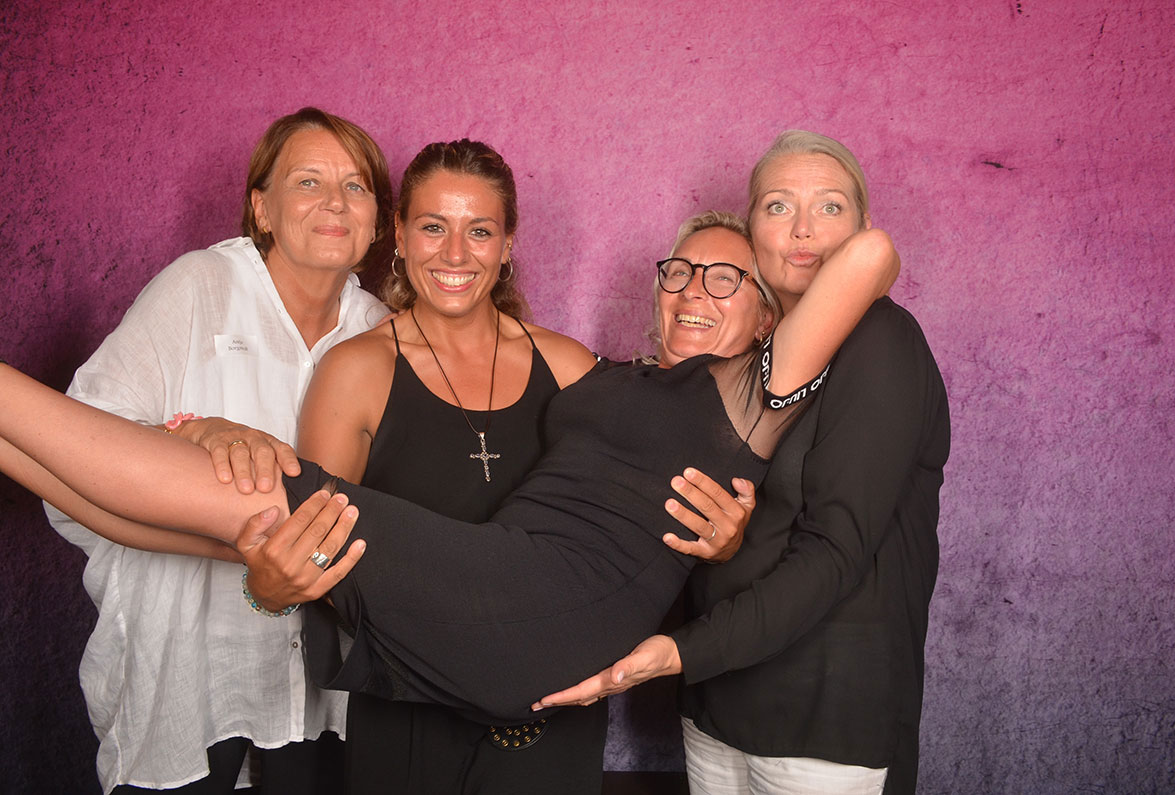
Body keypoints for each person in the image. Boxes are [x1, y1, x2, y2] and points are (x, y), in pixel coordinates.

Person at [0, 185, 896, 734]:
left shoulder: (752, 395)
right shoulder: (607, 372)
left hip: (544, 608)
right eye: (680, 271)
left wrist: (782, 253)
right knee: (246, 530)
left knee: (272, 497)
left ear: (769, 314)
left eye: (727, 278)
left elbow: (871, 253)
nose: (695, 290)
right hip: (504, 575)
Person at [536, 131, 951, 795]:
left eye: (830, 206)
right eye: (779, 206)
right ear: (753, 229)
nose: (803, 229)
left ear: (863, 224)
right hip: (715, 709)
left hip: (823, 726)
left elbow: (836, 551)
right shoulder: (736, 370)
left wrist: (676, 653)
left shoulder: (882, 341)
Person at [41, 108, 393, 794]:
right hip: (188, 659)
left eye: (356, 186)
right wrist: (193, 430)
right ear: (261, 207)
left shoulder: (378, 330)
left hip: (319, 679)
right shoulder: (199, 286)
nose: (334, 201)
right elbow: (76, 439)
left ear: (378, 221)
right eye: (308, 180)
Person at [296, 138, 607, 794]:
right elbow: (320, 554)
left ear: (508, 244)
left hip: (554, 716)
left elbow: (608, 542)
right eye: (434, 227)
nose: (456, 253)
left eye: (480, 231)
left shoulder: (570, 368)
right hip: (409, 712)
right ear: (401, 234)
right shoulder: (356, 370)